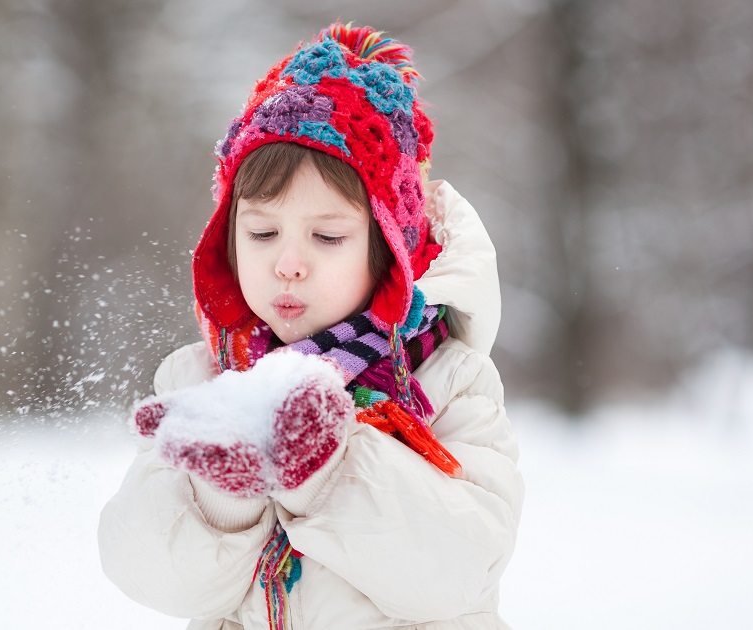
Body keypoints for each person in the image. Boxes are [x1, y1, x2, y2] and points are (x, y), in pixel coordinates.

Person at [99, 22, 524, 630]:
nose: (288, 263)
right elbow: (152, 576)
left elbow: (459, 575)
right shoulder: (202, 384)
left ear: (388, 250)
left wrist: (326, 468)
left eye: (327, 237)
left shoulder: (450, 382)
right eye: (262, 233)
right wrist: (227, 492)